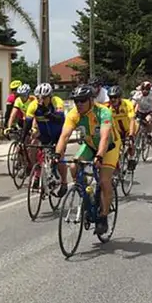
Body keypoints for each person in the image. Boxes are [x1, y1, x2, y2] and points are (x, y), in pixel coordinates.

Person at [54, 84, 120, 236]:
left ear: (91, 100)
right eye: (76, 101)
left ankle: (103, 216)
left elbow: (104, 137)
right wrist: (57, 155)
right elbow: (64, 136)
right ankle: (86, 195)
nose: (79, 104)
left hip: (109, 147)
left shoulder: (103, 112)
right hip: (90, 145)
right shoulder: (73, 114)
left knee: (104, 181)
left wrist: (99, 156)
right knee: (72, 166)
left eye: (82, 101)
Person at [21, 82, 68, 195]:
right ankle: (37, 173)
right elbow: (27, 123)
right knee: (32, 147)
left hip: (58, 135)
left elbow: (59, 119)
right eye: (38, 97)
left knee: (59, 157)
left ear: (50, 96)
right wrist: (22, 140)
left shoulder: (57, 102)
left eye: (44, 97)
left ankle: (64, 183)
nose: (40, 100)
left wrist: (46, 112)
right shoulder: (33, 105)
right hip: (44, 134)